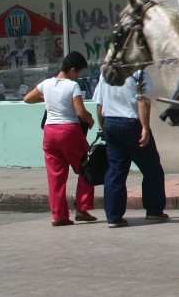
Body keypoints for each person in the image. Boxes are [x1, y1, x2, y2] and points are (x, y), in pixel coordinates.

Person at [24, 51, 97, 227]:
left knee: (56, 176)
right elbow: (80, 112)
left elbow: (27, 98)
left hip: (49, 133)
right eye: (78, 73)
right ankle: (82, 208)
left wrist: (49, 100)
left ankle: (59, 215)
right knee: (88, 166)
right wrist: (91, 120)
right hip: (68, 131)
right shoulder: (72, 87)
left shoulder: (46, 84)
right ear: (72, 70)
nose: (78, 76)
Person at [92, 68, 169, 228]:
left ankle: (113, 216)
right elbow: (143, 101)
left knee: (115, 171)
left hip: (110, 122)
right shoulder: (139, 73)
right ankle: (154, 210)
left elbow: (100, 104)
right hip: (132, 124)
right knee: (152, 168)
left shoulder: (107, 72)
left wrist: (102, 127)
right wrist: (145, 128)